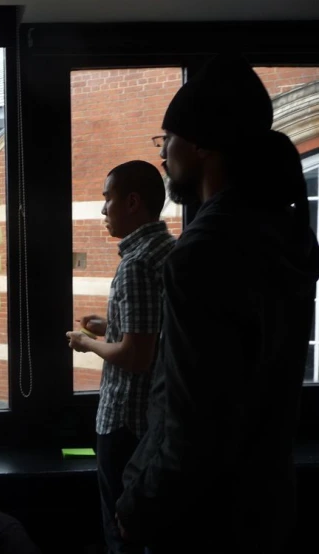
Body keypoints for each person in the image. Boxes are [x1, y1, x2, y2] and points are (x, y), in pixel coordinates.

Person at [115, 55, 319, 554]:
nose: (163, 155)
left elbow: (192, 422)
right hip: (264, 506)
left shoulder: (203, 251)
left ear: (201, 144)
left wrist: (138, 503)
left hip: (200, 521)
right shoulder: (285, 231)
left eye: (166, 140)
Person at [67, 161, 175, 554]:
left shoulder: (136, 264)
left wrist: (85, 342)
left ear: (132, 202)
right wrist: (108, 325)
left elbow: (135, 357)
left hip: (125, 423)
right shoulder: (169, 249)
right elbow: (154, 331)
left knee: (121, 535)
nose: (102, 210)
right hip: (153, 420)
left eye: (107, 198)